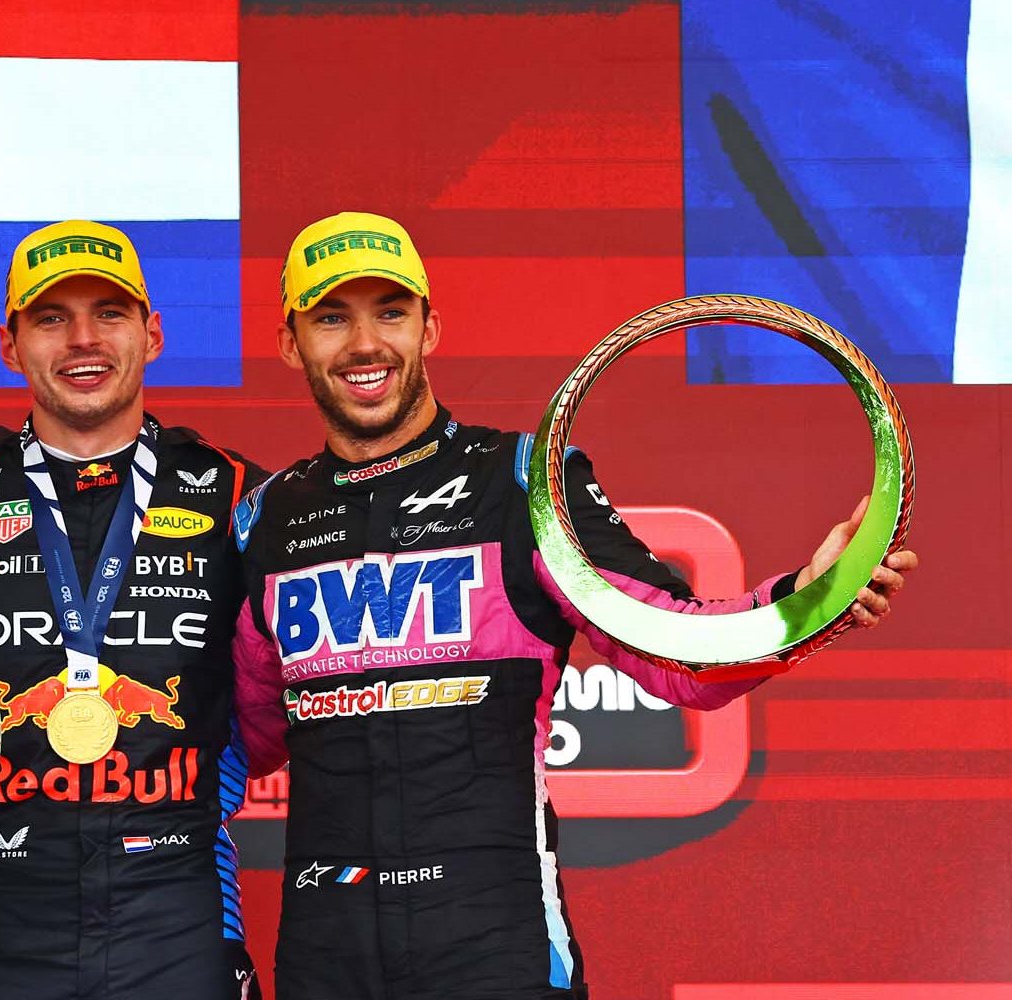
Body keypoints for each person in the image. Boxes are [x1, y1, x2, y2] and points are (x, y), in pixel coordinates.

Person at [231, 211, 920, 999]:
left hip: (496, 938)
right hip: (326, 948)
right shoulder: (265, 520)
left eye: (391, 311)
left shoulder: (526, 482)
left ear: (430, 328)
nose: (364, 344)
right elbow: (238, 738)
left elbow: (681, 660)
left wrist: (813, 594)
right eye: (331, 317)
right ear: (291, 343)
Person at [0, 220, 264, 999]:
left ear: (152, 333)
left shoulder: (236, 494)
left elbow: (283, 702)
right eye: (51, 318)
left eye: (109, 314)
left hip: (177, 911)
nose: (83, 340)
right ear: (10, 345)